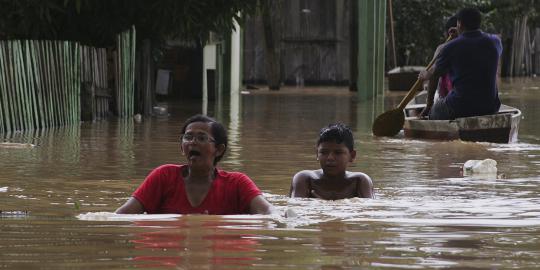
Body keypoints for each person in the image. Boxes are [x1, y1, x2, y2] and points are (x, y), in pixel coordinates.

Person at [116, 114, 276, 215]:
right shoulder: (163, 176)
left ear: (219, 150)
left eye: (201, 138)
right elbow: (123, 215)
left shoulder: (237, 183)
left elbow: (268, 212)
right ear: (181, 147)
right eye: (188, 137)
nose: (193, 142)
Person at [418, 7, 502, 120]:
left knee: (434, 111)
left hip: (459, 107)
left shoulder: (449, 47)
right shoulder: (495, 42)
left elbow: (435, 73)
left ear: (459, 24)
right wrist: (462, 32)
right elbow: (479, 40)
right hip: (490, 107)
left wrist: (425, 76)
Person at [289, 123, 374, 200]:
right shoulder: (305, 179)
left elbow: (369, 212)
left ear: (352, 156)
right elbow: (293, 211)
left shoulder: (359, 181)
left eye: (338, 153)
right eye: (324, 152)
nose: (330, 158)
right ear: (317, 154)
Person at [420, 15, 458, 118]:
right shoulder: (481, 44)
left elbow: (434, 76)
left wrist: (429, 105)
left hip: (452, 102)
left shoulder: (443, 48)